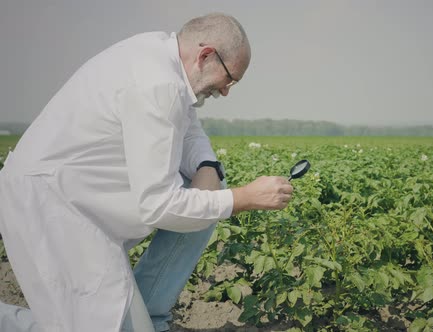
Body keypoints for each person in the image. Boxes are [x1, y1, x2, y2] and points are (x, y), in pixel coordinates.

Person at [0, 13, 293, 332]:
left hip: (77, 203)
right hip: (52, 211)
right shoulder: (158, 85)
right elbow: (158, 206)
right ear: (206, 55)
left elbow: (189, 126)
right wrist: (243, 198)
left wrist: (208, 167)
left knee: (207, 185)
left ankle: (151, 318)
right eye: (230, 78)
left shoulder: (163, 57)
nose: (226, 91)